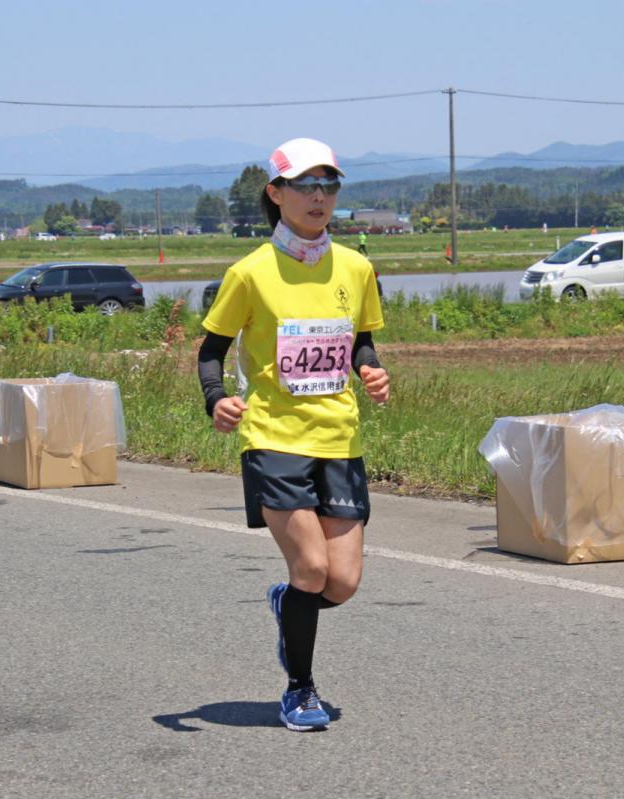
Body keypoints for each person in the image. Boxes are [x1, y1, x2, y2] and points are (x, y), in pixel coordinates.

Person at [198, 137, 389, 732]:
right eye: (306, 185)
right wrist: (217, 400)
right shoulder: (249, 272)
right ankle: (299, 689)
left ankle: (289, 607)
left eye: (329, 185)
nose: (319, 196)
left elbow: (360, 338)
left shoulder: (356, 267)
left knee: (344, 582)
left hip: (339, 439)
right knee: (310, 568)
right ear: (275, 194)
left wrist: (369, 368)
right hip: (274, 438)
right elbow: (211, 352)